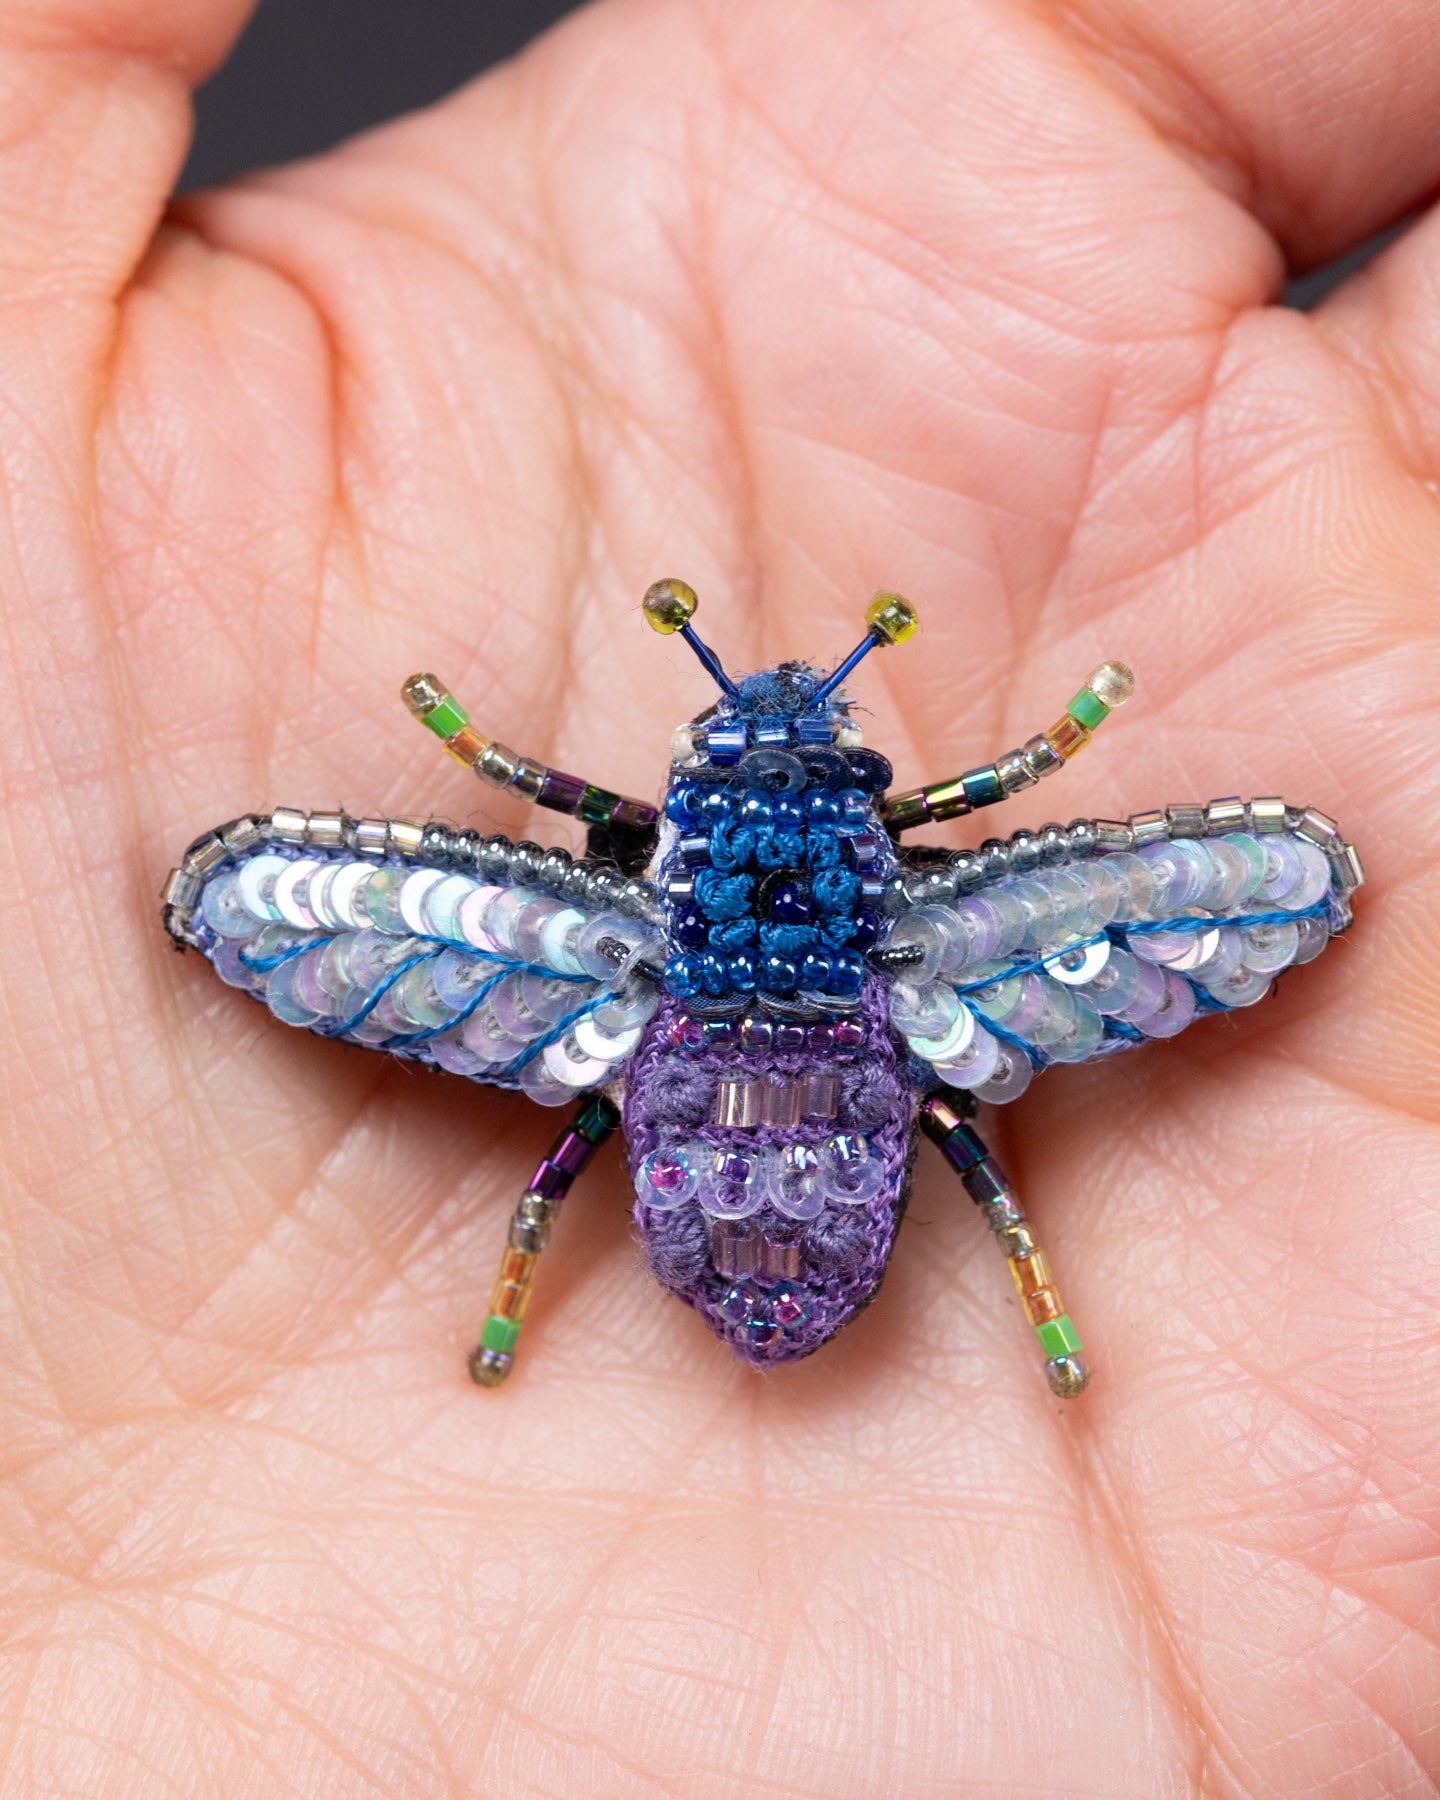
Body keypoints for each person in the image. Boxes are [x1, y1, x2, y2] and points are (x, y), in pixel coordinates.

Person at [0, 0, 1433, 1791]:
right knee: (969, 1152)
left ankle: (542, 1284)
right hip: (858, 1099)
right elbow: (1014, 813)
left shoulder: (608, 951)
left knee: (569, 1160)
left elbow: (526, 811)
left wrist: (457, 738)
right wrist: (1063, 738)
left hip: (696, 1079)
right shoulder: (931, 951)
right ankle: (1030, 1300)